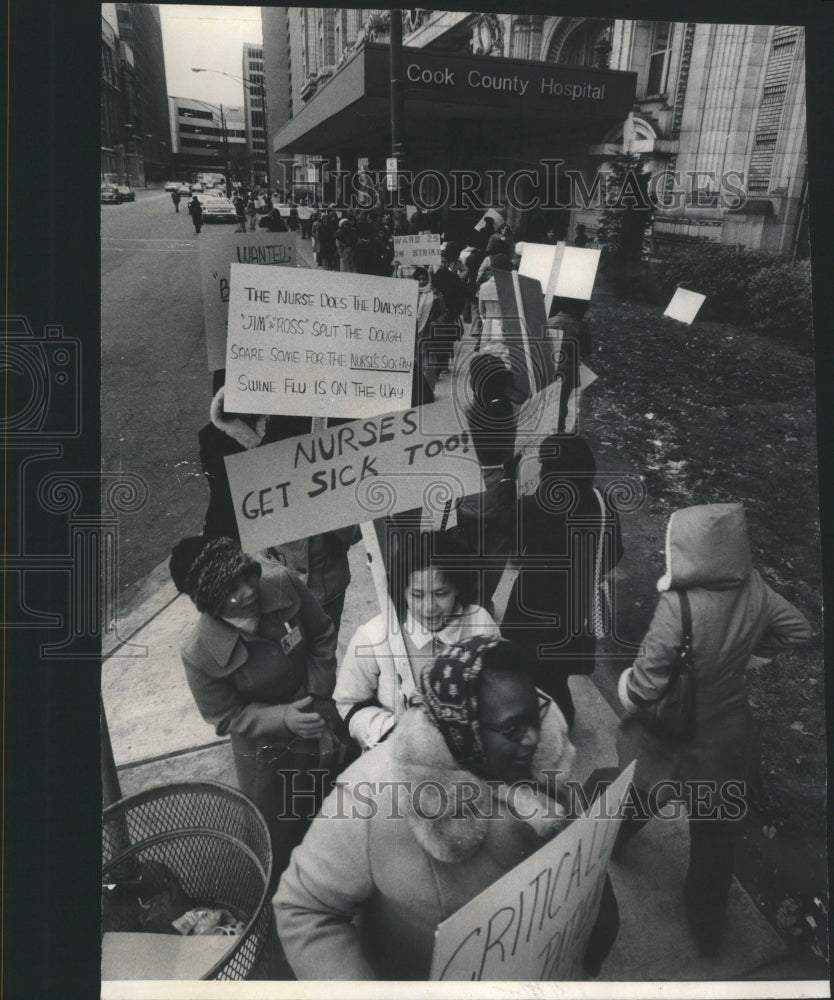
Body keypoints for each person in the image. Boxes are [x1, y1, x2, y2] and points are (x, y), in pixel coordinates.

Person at [276, 636, 619, 980]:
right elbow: (302, 908)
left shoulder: (544, 756)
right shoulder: (372, 796)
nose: (533, 738)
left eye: (535, 716)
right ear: (463, 726)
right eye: (513, 727)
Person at [614, 503, 812, 954]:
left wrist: (627, 687)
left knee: (639, 796)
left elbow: (643, 690)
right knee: (715, 836)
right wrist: (748, 655)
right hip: (724, 740)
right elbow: (797, 629)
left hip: (670, 736)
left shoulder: (676, 606)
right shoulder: (755, 588)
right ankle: (707, 928)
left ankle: (606, 846)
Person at [169, 535, 346, 882]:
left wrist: (318, 694)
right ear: (208, 602)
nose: (247, 592)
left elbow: (322, 634)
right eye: (230, 590)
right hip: (266, 750)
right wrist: (283, 719)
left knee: (338, 804)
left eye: (246, 577)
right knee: (279, 829)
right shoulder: (199, 653)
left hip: (316, 713)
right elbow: (226, 716)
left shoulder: (282, 584)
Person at [198, 386, 358, 638]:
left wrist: (340, 527)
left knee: (324, 648)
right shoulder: (214, 439)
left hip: (324, 572)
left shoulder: (310, 413)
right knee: (285, 655)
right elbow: (223, 509)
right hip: (270, 578)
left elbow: (353, 484)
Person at [334, 530, 499, 750]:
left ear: (458, 587)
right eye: (417, 595)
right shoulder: (373, 635)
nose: (429, 608)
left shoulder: (480, 622)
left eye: (441, 593)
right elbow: (349, 703)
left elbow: (500, 687)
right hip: (402, 756)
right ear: (403, 591)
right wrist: (391, 729)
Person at [501, 435, 622, 728]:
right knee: (557, 676)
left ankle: (542, 724)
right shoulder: (601, 500)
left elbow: (515, 555)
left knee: (529, 672)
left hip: (532, 606)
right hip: (576, 608)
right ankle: (562, 718)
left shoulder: (531, 506)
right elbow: (615, 553)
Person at [456, 353, 519, 614]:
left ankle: (471, 601)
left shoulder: (469, 413)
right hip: (502, 497)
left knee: (469, 553)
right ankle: (482, 602)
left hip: (470, 497)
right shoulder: (517, 411)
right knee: (494, 556)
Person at [547, 296, 593, 433]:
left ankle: (546, 427)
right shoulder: (580, 326)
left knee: (548, 400)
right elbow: (586, 351)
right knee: (563, 402)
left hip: (548, 367)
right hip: (568, 370)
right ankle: (560, 429)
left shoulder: (549, 322)